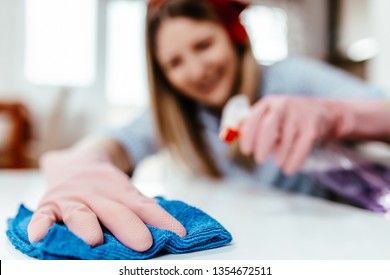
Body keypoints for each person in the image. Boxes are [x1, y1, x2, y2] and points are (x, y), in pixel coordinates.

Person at [28, 0, 390, 252]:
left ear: (234, 38)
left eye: (203, 45)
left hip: (328, 238)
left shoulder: (290, 77)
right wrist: (84, 163)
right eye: (175, 63)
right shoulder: (183, 115)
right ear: (163, 76)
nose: (197, 71)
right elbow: (119, 142)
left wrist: (336, 115)